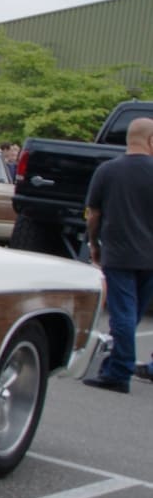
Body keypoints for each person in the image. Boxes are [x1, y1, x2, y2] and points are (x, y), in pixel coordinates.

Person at [82, 117, 153, 393]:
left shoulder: (107, 171)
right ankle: (116, 361)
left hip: (119, 251)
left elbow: (93, 214)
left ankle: (118, 371)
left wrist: (93, 243)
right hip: (150, 256)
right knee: (132, 313)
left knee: (123, 312)